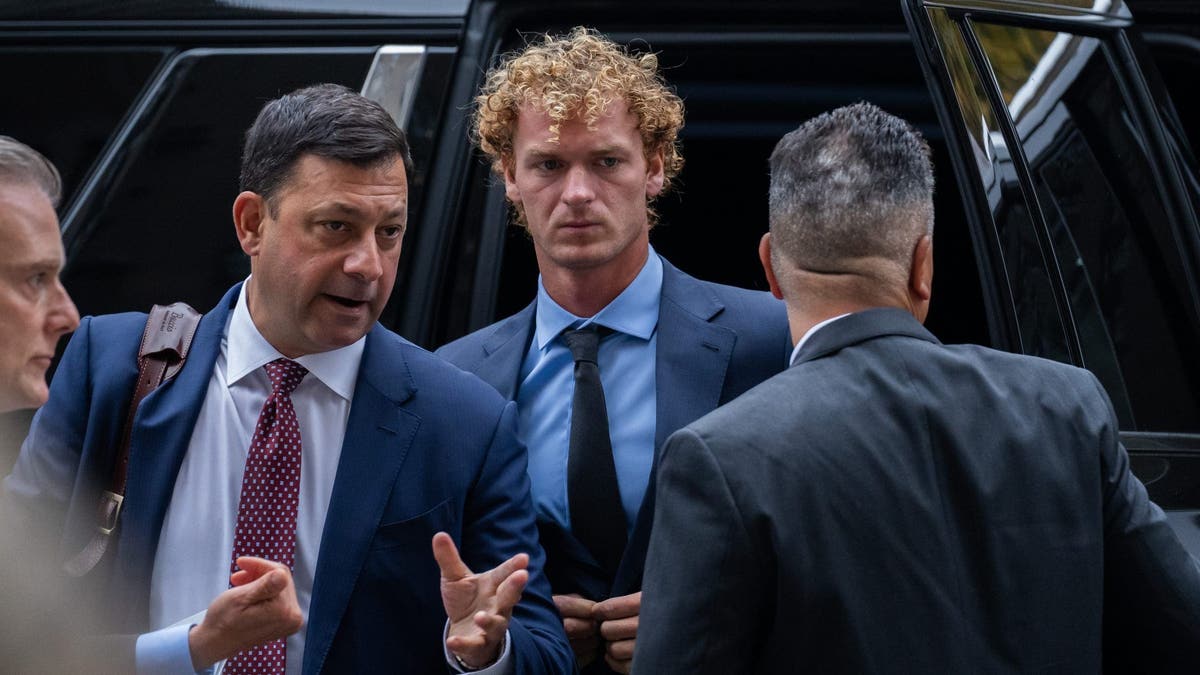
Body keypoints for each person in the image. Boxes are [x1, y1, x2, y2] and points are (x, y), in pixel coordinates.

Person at [5, 84, 572, 674]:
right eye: (335, 227)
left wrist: (486, 651)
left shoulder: (464, 420)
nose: (368, 265)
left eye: (389, 231)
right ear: (252, 224)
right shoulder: (115, 369)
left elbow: (544, 649)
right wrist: (186, 651)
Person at [633, 102, 1200, 673]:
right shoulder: (1068, 406)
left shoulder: (720, 459)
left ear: (771, 270)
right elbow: (1180, 632)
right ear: (922, 266)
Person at [436, 27, 790, 674]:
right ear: (509, 175)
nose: (576, 192)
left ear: (654, 166)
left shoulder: (771, 337)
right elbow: (433, 590)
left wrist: (710, 621)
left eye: (605, 161)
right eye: (548, 164)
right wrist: (514, 640)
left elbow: (836, 547)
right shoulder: (455, 378)